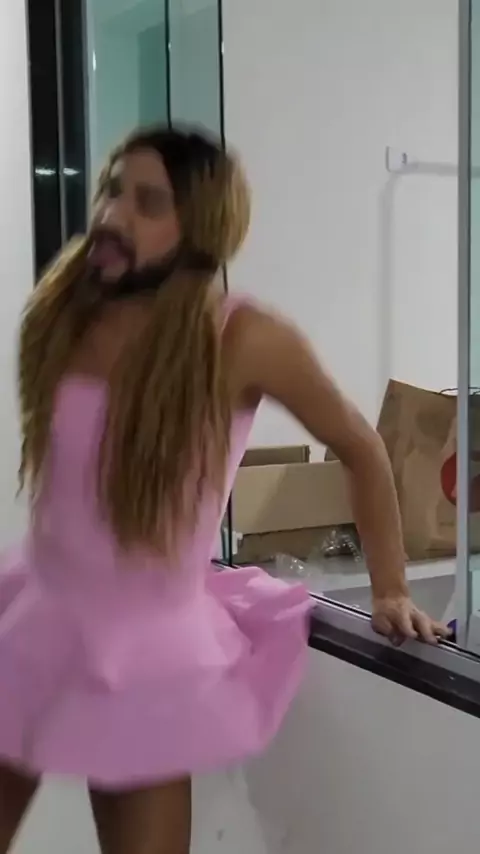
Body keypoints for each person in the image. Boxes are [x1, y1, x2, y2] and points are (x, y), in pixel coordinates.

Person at [0, 125, 448, 853]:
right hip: (38, 618)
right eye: (113, 190)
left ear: (199, 227)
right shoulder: (68, 309)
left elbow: (362, 448)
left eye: (147, 203)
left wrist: (391, 587)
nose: (113, 214)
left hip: (143, 649)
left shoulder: (242, 337)